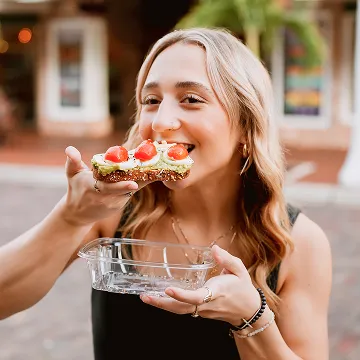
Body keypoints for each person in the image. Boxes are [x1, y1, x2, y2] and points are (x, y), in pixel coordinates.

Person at [0, 28, 331, 360]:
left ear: (246, 125)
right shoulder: (112, 209)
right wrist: (70, 216)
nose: (161, 122)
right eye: (151, 100)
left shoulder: (298, 242)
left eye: (191, 99)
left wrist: (251, 317)